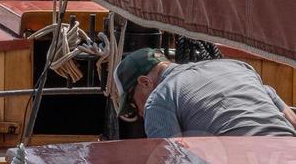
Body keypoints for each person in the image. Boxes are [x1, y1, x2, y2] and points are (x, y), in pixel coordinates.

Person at [115, 48, 296, 138]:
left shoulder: (159, 98)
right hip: (287, 150)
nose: (139, 113)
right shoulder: (237, 66)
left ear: (145, 82)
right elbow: (289, 117)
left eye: (133, 103)